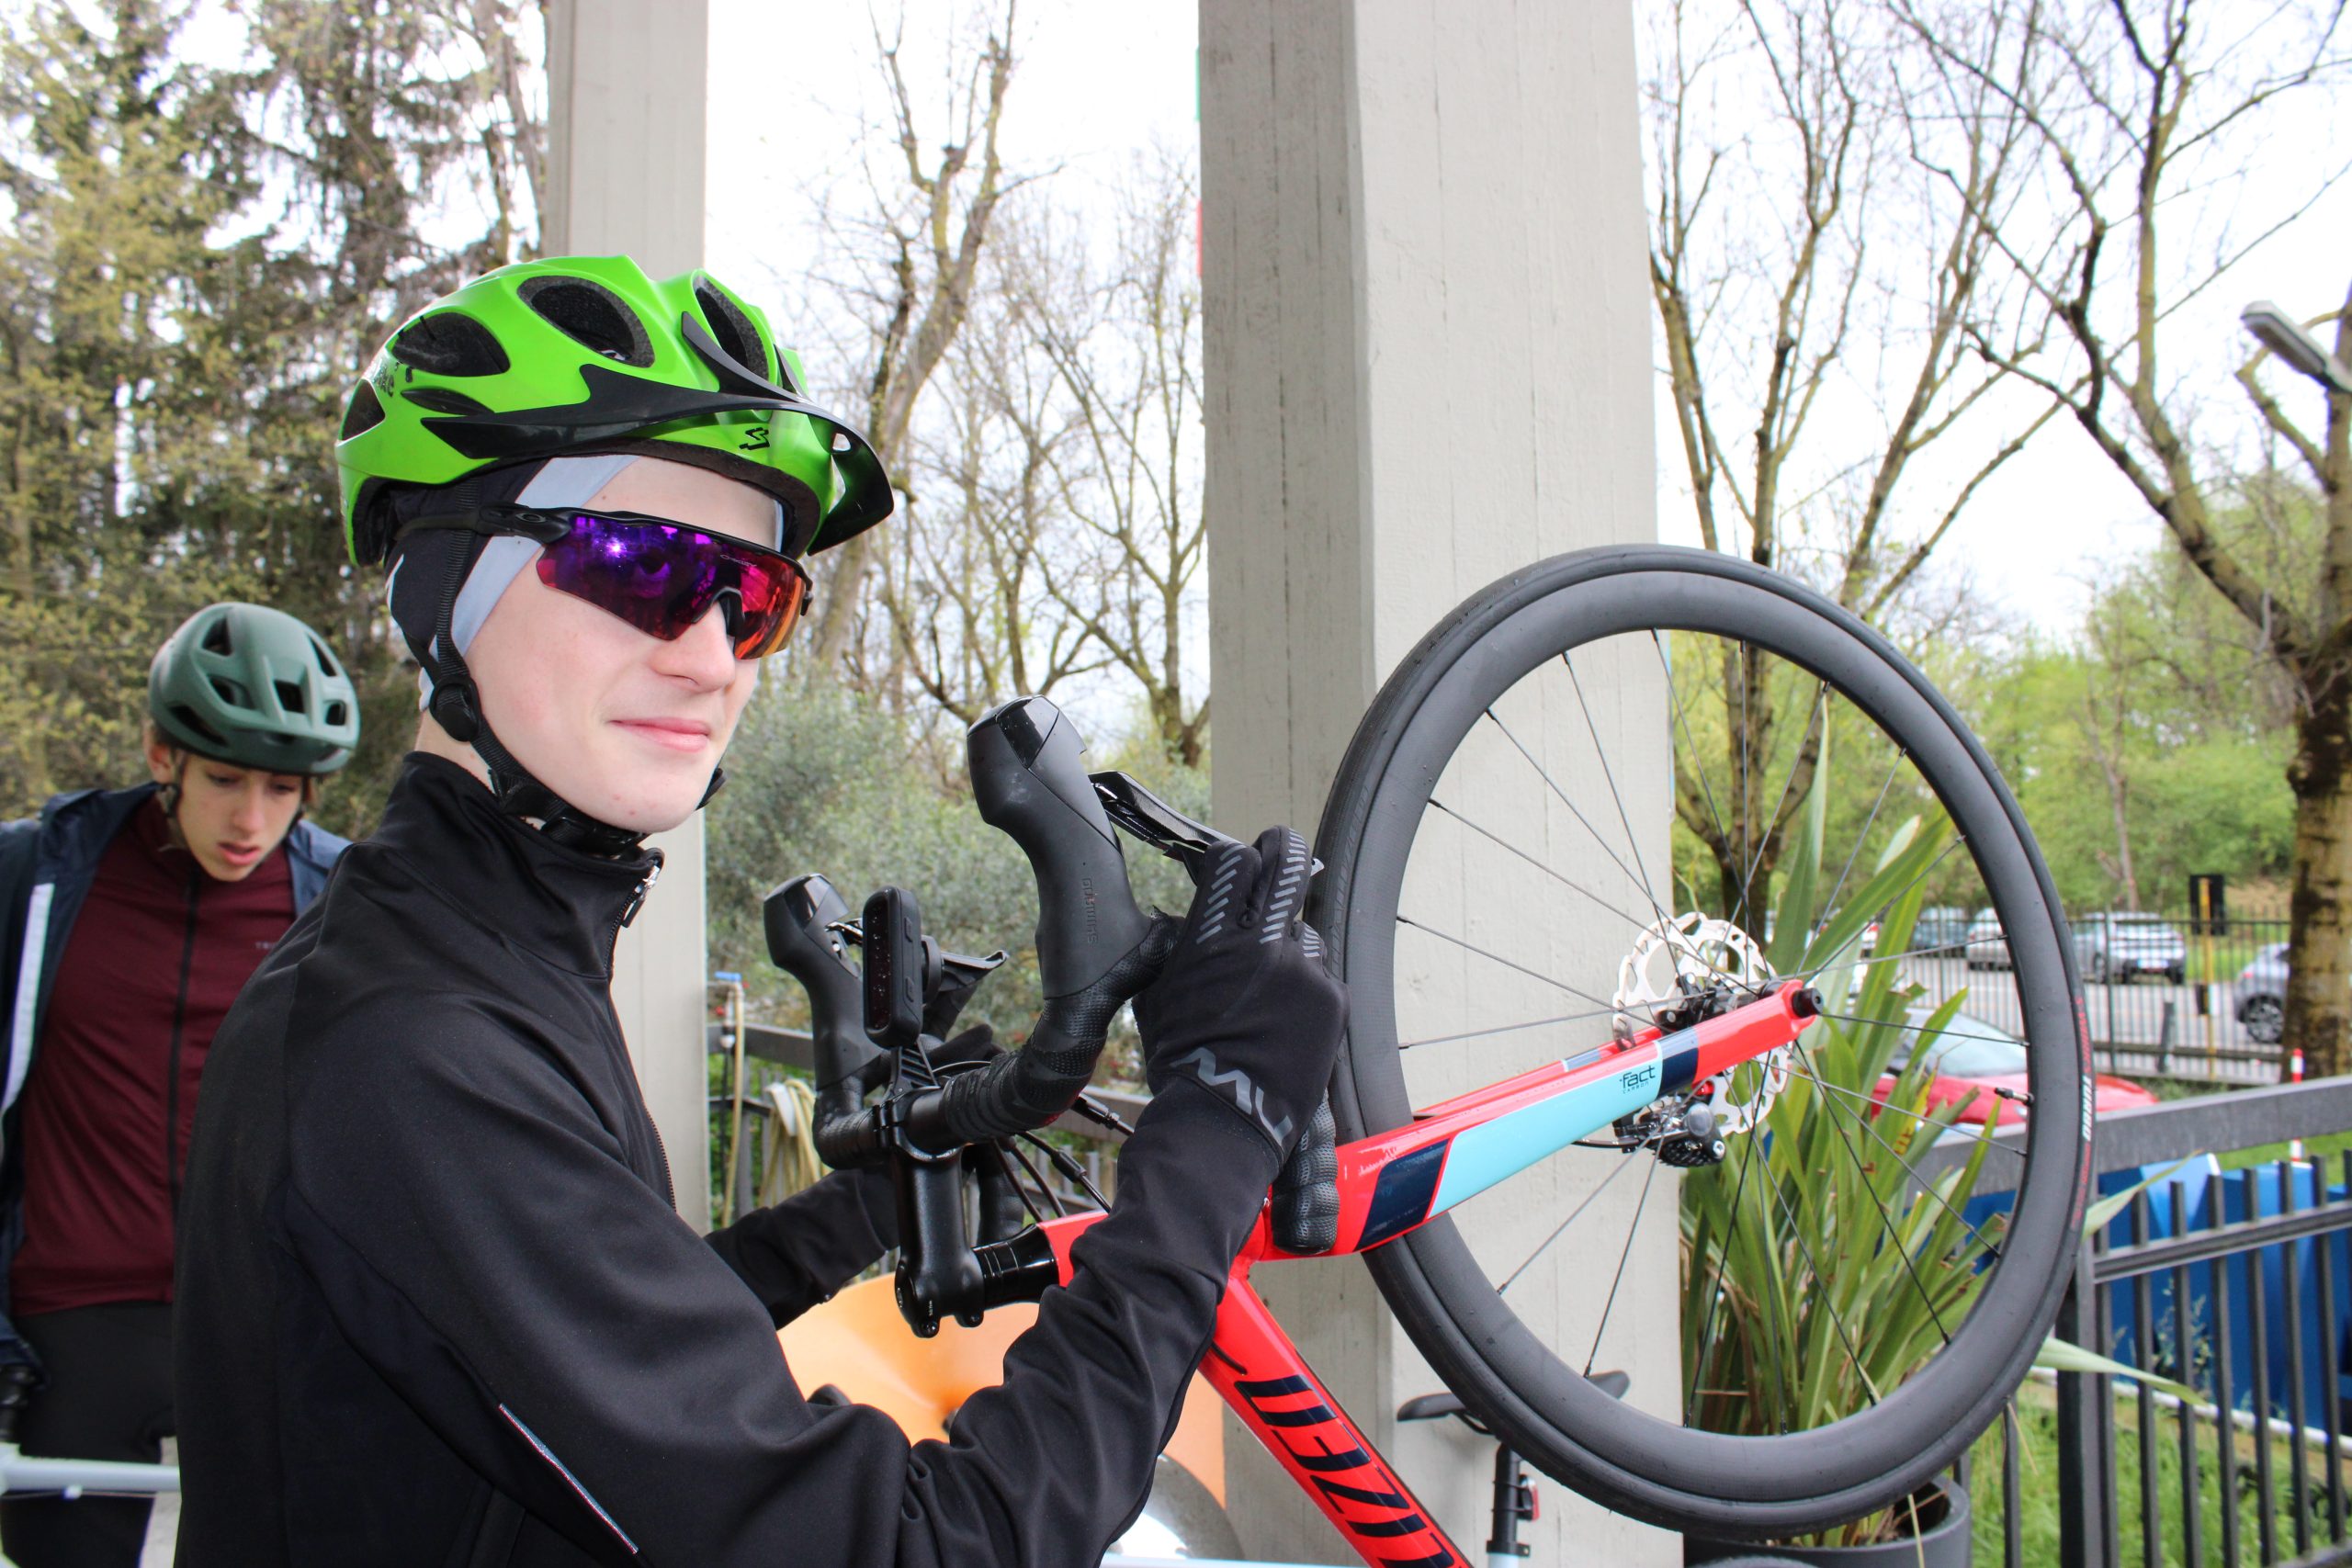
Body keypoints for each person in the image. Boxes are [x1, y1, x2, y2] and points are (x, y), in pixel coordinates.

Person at [173, 256, 1345, 1566]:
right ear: (442, 586)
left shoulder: (474, 953)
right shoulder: (412, 1050)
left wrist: (862, 1207)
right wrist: (1217, 1122)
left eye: (754, 599)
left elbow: (585, 1365)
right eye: (638, 563)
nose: (707, 656)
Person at [0, 602, 358, 1567]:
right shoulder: (36, 876)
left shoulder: (342, 903)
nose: (251, 821)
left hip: (260, 1317)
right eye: (225, 779)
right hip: (74, 1321)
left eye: (281, 788)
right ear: (163, 755)